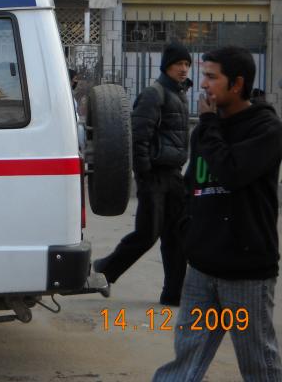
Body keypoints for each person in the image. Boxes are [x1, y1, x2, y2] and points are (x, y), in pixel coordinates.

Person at [154, 46, 282, 381]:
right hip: (201, 269)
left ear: (236, 84)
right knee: (186, 356)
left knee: (258, 363)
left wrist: (209, 123)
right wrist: (189, 236)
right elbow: (191, 187)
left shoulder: (266, 129)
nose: (203, 84)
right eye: (204, 76)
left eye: (212, 77)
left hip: (245, 273)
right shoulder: (205, 131)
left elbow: (231, 172)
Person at [94, 41, 192, 306]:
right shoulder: (154, 94)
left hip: (174, 175)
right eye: (178, 63)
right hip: (155, 176)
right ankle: (105, 269)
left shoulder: (180, 94)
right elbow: (138, 136)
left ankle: (173, 293)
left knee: (176, 236)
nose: (184, 69)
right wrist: (144, 174)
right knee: (147, 234)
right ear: (167, 66)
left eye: (187, 64)